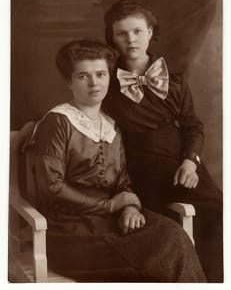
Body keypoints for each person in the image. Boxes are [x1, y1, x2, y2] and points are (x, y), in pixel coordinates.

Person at [28, 39, 206, 282]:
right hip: (69, 232)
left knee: (174, 234)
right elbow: (50, 188)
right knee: (164, 251)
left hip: (112, 222)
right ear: (68, 82)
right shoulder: (57, 122)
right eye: (83, 76)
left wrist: (130, 207)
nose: (94, 83)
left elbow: (123, 183)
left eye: (101, 74)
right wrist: (111, 207)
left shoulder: (111, 126)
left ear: (109, 77)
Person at [103, 0, 223, 282]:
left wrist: (190, 162)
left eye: (137, 31)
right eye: (121, 33)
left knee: (218, 210)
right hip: (139, 168)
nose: (130, 39)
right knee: (156, 232)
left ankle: (215, 281)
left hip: (182, 165)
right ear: (112, 37)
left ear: (150, 32)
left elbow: (193, 126)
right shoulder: (107, 81)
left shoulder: (175, 80)